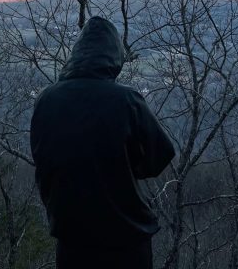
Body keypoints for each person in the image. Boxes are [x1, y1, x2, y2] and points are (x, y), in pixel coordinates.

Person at [30, 16, 176, 269]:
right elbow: (162, 155)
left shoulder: (46, 100)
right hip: (126, 236)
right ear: (114, 56)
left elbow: (42, 159)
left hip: (71, 237)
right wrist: (128, 167)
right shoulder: (126, 100)